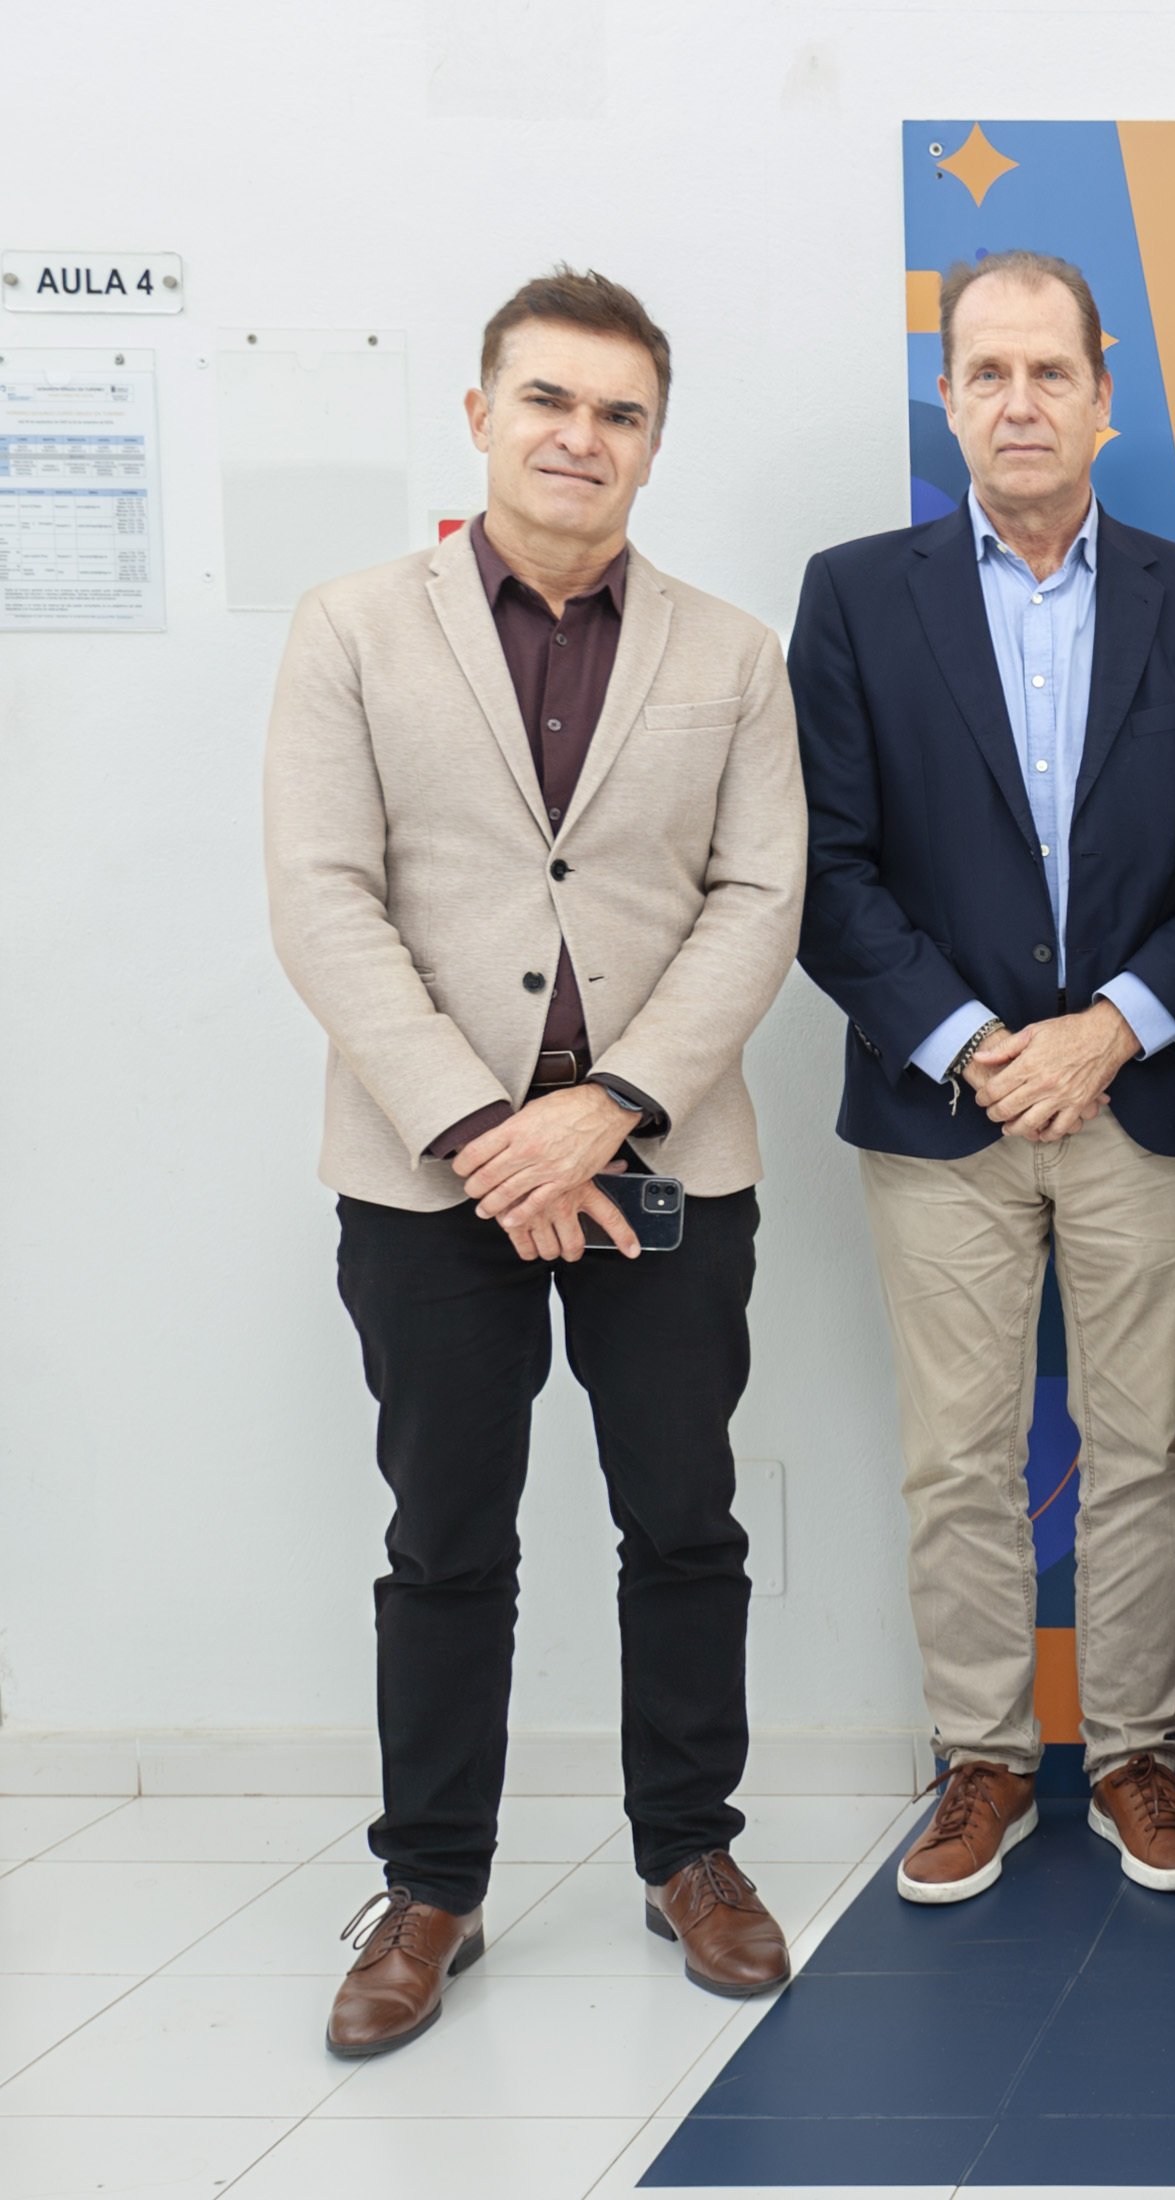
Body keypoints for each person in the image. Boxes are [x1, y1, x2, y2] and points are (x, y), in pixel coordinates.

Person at [265, 268, 808, 2055]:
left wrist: (614, 1100)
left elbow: (756, 897)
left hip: (663, 1166)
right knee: (444, 1539)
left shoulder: (728, 652)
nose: (583, 437)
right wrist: (489, 1131)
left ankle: (692, 1857)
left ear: (656, 441)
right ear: (483, 414)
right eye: (551, 402)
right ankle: (432, 1887)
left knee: (684, 1523)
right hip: (432, 1180)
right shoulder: (352, 627)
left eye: (621, 413)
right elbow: (325, 897)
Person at [791, 249, 1175, 1906]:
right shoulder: (856, 595)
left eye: (1047, 372)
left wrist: (1113, 1027)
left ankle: (1136, 1755)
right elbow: (827, 872)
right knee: (958, 1454)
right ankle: (985, 1758)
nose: (1017, 401)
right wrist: (978, 1045)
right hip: (944, 1107)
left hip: (1145, 1093)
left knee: (1147, 1446)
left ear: (1103, 395)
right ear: (948, 398)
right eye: (985, 372)